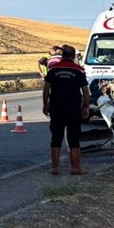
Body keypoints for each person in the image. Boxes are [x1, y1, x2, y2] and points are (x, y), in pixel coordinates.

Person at [42, 44, 90, 176]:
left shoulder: (53, 69)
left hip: (56, 108)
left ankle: (55, 168)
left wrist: (45, 104)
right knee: (74, 139)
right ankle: (75, 168)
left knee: (56, 137)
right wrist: (86, 106)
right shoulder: (78, 70)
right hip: (73, 109)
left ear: (62, 55)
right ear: (74, 56)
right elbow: (85, 91)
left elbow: (46, 88)